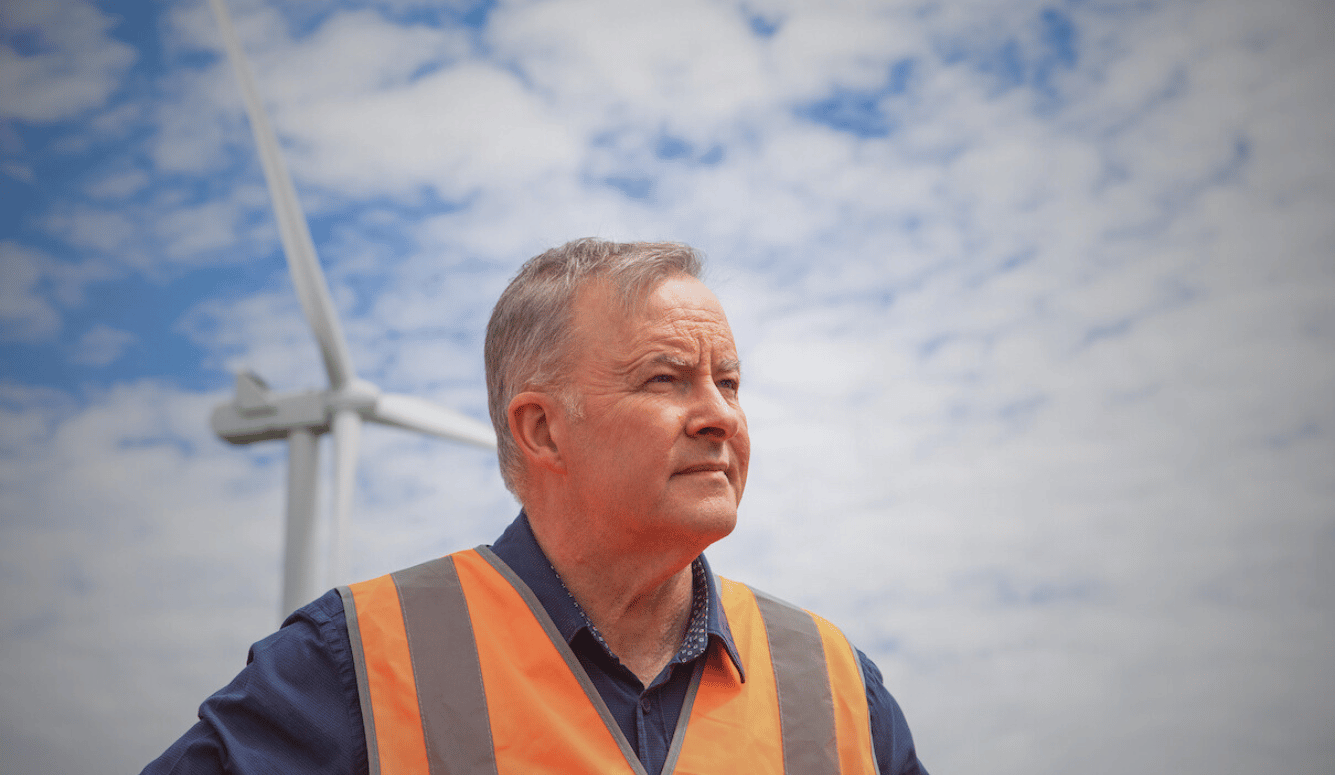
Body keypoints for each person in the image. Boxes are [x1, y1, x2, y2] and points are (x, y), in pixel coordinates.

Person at [143, 238, 927, 774]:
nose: (718, 413)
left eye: (727, 381)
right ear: (541, 427)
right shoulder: (355, 659)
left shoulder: (833, 685)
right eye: (665, 378)